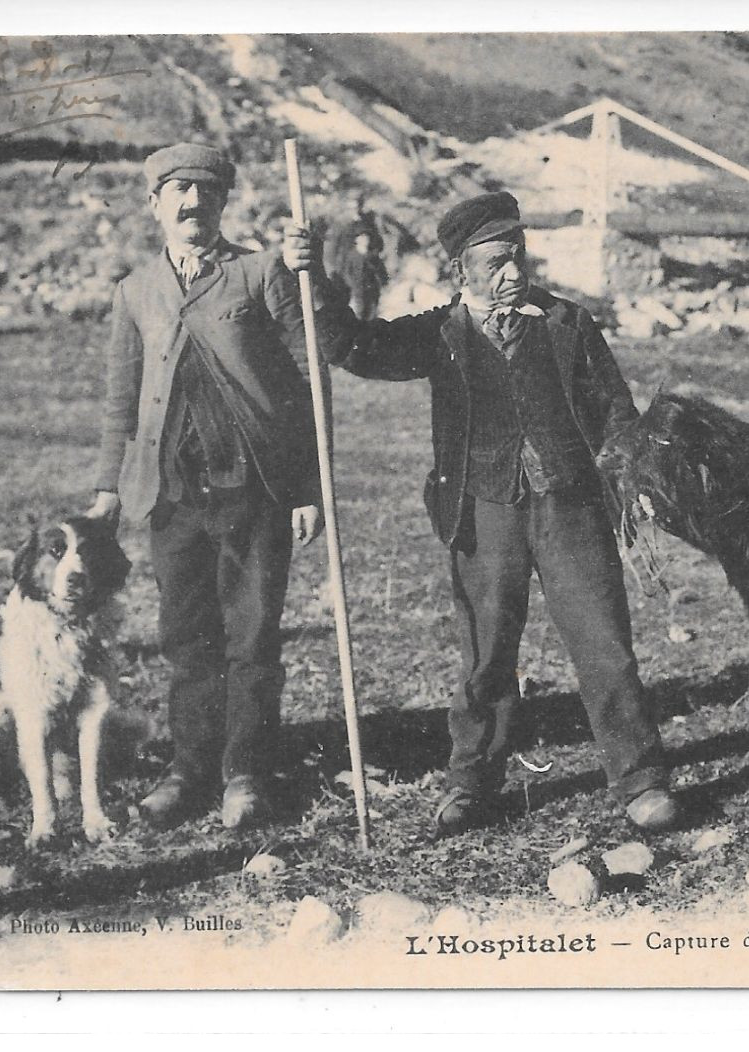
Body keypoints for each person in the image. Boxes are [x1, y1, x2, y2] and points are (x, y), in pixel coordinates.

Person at [324, 191, 679, 835]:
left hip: (569, 507)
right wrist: (320, 287)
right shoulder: (438, 333)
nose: (512, 272)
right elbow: (357, 350)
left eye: (517, 257)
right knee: (486, 655)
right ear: (461, 270)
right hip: (483, 511)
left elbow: (616, 412)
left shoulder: (568, 325)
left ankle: (641, 778)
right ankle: (471, 782)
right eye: (494, 262)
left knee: (605, 646)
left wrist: (633, 477)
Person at [85, 142, 334, 829]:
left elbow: (309, 381)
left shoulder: (260, 275)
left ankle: (245, 773)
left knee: (251, 634)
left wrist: (309, 483)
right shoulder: (135, 292)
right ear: (155, 205)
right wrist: (109, 486)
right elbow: (121, 400)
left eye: (206, 193)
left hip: (254, 487)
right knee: (186, 636)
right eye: (179, 193)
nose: (193, 204)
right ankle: (189, 769)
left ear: (223, 203)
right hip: (170, 493)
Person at [322, 213, 388, 321]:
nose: (365, 240)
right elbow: (346, 274)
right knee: (358, 317)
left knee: (372, 317)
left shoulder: (372, 257)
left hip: (371, 292)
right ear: (356, 240)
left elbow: (380, 273)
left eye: (367, 237)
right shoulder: (351, 256)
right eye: (361, 237)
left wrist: (379, 283)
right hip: (356, 292)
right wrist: (353, 286)